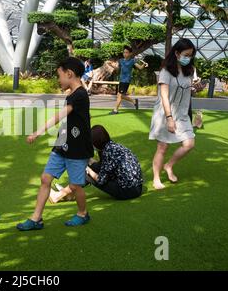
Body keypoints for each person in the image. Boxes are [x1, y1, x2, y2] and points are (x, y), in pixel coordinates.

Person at [16, 57, 94, 231]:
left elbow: (59, 116)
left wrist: (37, 132)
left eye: (59, 76)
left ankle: (83, 214)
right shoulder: (72, 94)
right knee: (45, 178)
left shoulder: (80, 95)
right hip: (62, 144)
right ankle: (36, 219)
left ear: (69, 74)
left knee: (75, 185)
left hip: (77, 148)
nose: (58, 80)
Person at [149, 38, 197, 190]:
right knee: (162, 147)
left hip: (182, 114)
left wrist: (195, 88)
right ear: (177, 53)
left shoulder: (189, 70)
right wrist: (169, 118)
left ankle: (168, 166)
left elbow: (187, 89)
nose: (188, 58)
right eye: (186, 54)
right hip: (165, 113)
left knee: (189, 144)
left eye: (191, 55)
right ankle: (156, 178)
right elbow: (164, 95)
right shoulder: (166, 71)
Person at [49, 125, 143, 202]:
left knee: (86, 175)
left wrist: (88, 170)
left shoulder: (108, 153)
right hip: (137, 187)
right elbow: (102, 166)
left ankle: (58, 196)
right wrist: (88, 161)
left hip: (127, 191)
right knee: (90, 168)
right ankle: (69, 194)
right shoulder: (111, 146)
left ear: (96, 143)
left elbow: (101, 180)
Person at [109, 46, 148, 114]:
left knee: (120, 95)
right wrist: (111, 65)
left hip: (126, 80)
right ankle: (134, 102)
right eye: (124, 52)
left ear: (130, 53)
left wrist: (144, 64)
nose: (125, 54)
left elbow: (140, 68)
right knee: (120, 95)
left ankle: (115, 110)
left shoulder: (132, 61)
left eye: (127, 52)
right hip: (121, 80)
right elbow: (118, 69)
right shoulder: (120, 60)